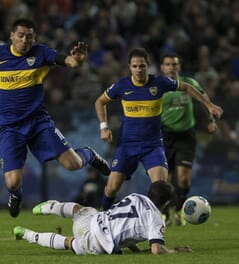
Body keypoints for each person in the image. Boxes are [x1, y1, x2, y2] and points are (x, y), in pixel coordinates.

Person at [0, 18, 111, 218]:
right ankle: (16, 195)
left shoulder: (41, 53)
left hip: (38, 122)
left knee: (73, 164)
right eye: (21, 35)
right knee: (12, 182)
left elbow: (68, 61)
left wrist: (77, 61)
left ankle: (89, 154)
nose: (25, 40)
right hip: (10, 127)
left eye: (29, 36)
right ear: (12, 36)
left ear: (34, 38)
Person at [94, 48, 223, 211]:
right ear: (129, 67)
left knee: (161, 188)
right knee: (112, 187)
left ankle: (157, 223)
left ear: (148, 66)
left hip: (152, 146)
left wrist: (209, 105)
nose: (138, 70)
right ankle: (103, 218)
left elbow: (187, 87)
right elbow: (99, 101)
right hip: (127, 146)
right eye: (135, 66)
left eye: (142, 66)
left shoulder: (159, 83)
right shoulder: (122, 85)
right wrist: (103, 127)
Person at [13, 180, 192, 255]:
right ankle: (27, 234)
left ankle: (48, 207)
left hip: (92, 221)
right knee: (69, 243)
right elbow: (156, 249)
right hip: (96, 242)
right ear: (166, 203)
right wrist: (174, 251)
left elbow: (125, 224)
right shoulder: (156, 220)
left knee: (79, 209)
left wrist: (135, 250)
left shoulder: (136, 196)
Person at [159, 52, 218, 226]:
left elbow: (205, 100)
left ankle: (179, 210)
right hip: (164, 136)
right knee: (163, 180)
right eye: (168, 64)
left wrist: (211, 120)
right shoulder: (158, 87)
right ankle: (164, 213)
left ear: (179, 66)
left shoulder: (189, 84)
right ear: (162, 67)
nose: (171, 67)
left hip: (185, 136)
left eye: (174, 64)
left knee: (183, 178)